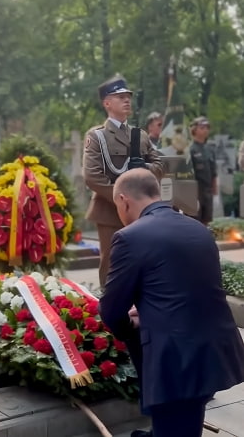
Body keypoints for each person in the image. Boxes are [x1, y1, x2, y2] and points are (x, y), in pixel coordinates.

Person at [100, 168, 244, 437]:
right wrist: (151, 310)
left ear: (123, 200)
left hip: (173, 359)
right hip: (212, 351)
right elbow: (185, 290)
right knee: (183, 424)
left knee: (175, 426)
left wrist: (131, 328)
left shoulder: (130, 237)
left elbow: (111, 310)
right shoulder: (197, 228)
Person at [83, 75, 163, 288]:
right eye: (120, 97)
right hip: (110, 211)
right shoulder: (97, 136)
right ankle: (110, 314)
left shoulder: (140, 135)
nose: (126, 100)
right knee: (112, 265)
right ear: (107, 103)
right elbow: (92, 177)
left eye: (128, 96)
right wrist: (123, 200)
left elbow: (160, 165)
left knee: (142, 263)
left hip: (140, 213)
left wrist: (144, 168)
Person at [189, 116, 217, 225]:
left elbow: (213, 171)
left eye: (207, 127)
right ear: (194, 129)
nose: (205, 129)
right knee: (195, 218)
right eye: (202, 127)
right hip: (196, 190)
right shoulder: (190, 149)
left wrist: (214, 187)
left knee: (207, 219)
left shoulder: (209, 149)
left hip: (207, 191)